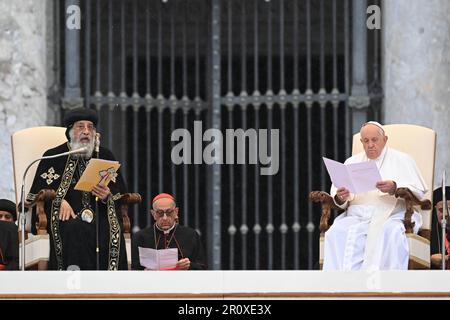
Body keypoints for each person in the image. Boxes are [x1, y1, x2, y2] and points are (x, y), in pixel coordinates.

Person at [27, 107, 128, 270]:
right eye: (81, 126)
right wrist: (58, 201)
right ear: (70, 131)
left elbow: (119, 192)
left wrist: (106, 195)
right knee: (75, 228)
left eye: (90, 127)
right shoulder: (54, 156)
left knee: (108, 230)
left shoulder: (105, 155)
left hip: (99, 216)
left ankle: (107, 288)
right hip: (66, 218)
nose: (87, 132)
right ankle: (74, 286)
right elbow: (39, 193)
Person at [323, 121, 428, 270]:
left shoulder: (402, 159)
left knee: (390, 232)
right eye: (366, 141)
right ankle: (342, 287)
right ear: (361, 142)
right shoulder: (352, 162)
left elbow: (418, 190)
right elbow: (338, 196)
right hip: (357, 216)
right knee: (336, 232)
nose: (370, 144)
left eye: (374, 140)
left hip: (392, 213)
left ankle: (386, 287)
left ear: (385, 139)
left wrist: (394, 187)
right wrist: (341, 197)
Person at [131, 193, 207, 270]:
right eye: (160, 213)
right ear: (153, 214)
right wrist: (145, 271)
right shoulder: (140, 237)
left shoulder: (191, 235)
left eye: (169, 212)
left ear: (176, 212)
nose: (165, 218)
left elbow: (202, 267)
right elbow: (133, 268)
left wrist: (188, 266)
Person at [430, 187, 450, 269]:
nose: (445, 214)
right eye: (441, 210)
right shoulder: (428, 232)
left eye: (449, 209)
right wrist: (430, 259)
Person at [0, 199, 19, 270]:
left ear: (13, 221)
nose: (3, 220)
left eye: (7, 217)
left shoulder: (16, 233)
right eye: (0, 216)